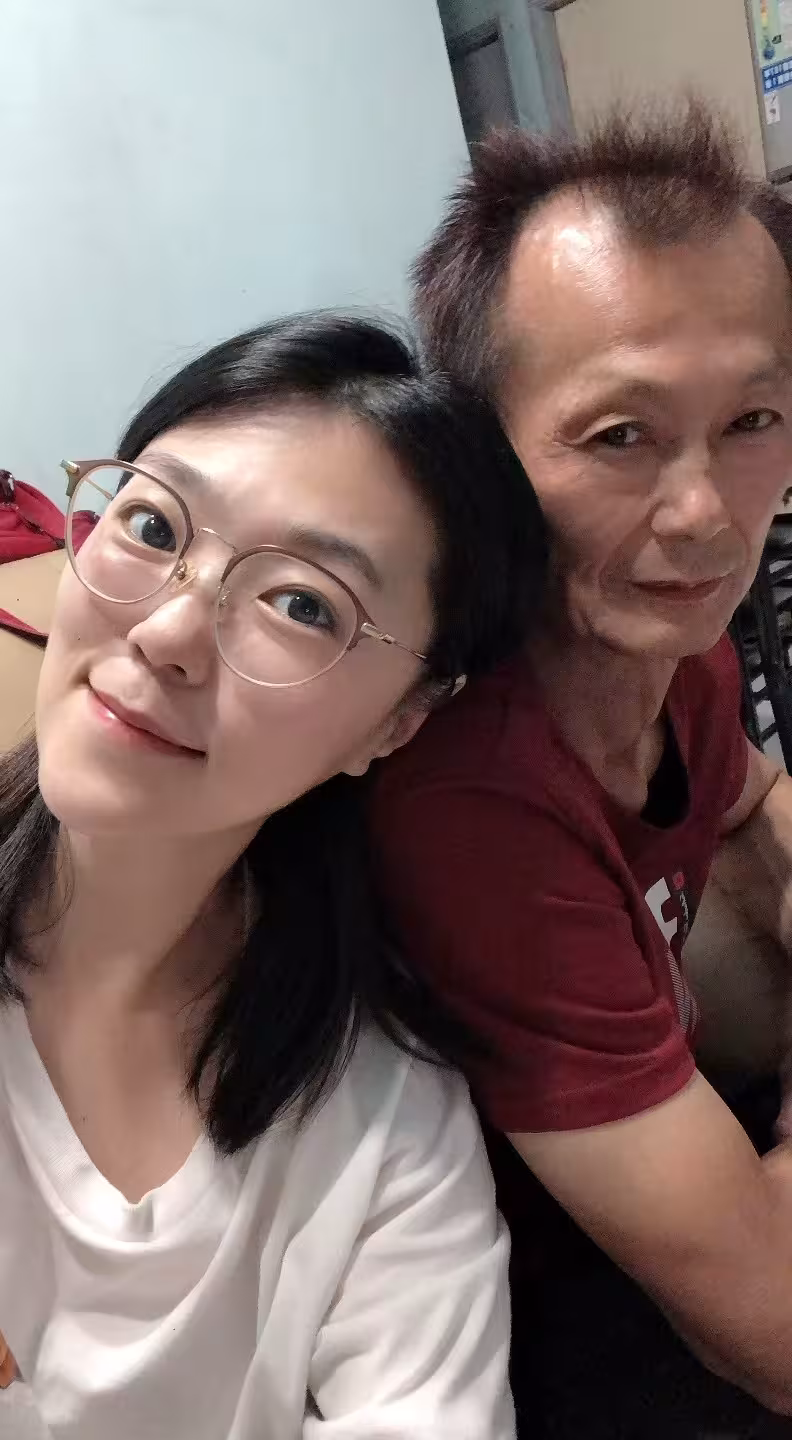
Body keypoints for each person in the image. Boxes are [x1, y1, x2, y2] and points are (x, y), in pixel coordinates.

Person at [0, 312, 548, 1440]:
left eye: (303, 603)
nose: (168, 630)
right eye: (152, 522)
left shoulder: (384, 1134)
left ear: (397, 723)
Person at [371, 104, 792, 1436]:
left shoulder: (674, 651)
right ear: (476, 458)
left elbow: (755, 798)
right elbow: (774, 1341)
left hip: (691, 1147)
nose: (705, 516)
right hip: (541, 1311)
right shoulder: (466, 794)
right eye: (620, 436)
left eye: (753, 419)